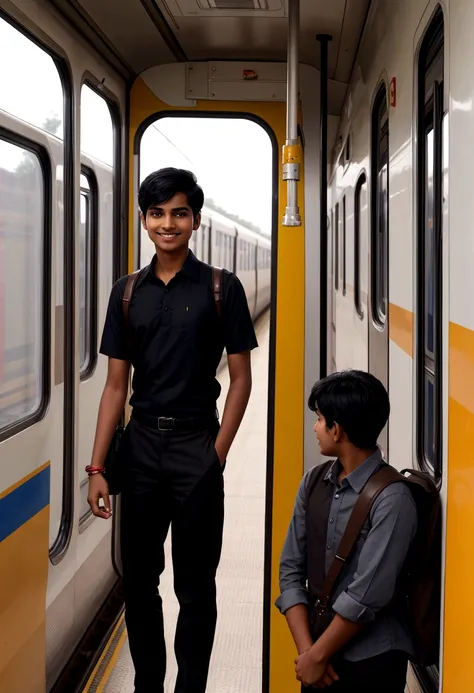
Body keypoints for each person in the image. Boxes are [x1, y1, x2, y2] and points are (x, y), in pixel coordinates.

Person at [87, 167, 258, 693]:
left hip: (196, 449)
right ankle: (149, 686)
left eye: (179, 213)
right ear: (144, 220)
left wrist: (218, 453)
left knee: (196, 587)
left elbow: (242, 379)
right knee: (139, 585)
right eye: (157, 214)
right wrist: (97, 468)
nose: (168, 224)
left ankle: (192, 688)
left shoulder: (221, 288)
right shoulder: (126, 292)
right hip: (139, 452)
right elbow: (116, 387)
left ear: (196, 220)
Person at [275, 370, 418, 692]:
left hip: (373, 661)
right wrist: (308, 654)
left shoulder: (393, 499)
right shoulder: (313, 480)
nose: (315, 428)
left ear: (336, 430)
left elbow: (366, 595)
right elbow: (290, 570)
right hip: (317, 653)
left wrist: (317, 655)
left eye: (319, 418)